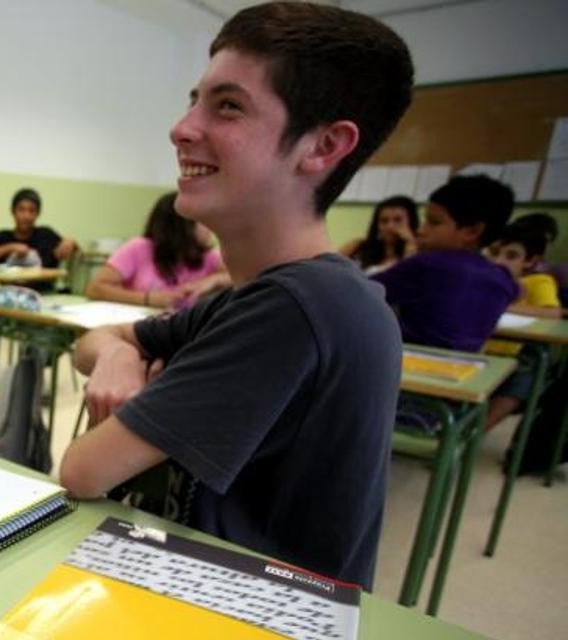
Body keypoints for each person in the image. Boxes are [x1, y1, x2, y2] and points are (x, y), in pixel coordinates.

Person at [58, 2, 414, 589]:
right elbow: (94, 342)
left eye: (227, 106)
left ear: (323, 146)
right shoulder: (258, 296)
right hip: (200, 587)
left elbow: (83, 470)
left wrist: (131, 359)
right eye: (193, 99)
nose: (181, 128)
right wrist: (123, 353)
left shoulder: (299, 306)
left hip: (254, 633)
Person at [371, 175, 517, 352]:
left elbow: (361, 293)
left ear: (472, 231)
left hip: (411, 362)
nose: (421, 229)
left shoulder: (427, 265)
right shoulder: (502, 277)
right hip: (469, 371)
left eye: (433, 222)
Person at [0, 188, 78, 357]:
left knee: (41, 344)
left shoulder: (46, 234)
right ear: (13, 212)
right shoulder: (3, 236)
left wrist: (71, 242)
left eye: (31, 211)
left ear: (37, 214)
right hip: (6, 299)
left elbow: (72, 250)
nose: (26, 215)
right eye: (21, 209)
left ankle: (30, 378)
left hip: (40, 300)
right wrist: (10, 247)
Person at [483, 215, 562, 430]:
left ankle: (475, 434)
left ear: (530, 261)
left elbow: (554, 313)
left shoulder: (538, 282)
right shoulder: (487, 277)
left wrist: (503, 304)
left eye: (511, 256)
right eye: (495, 253)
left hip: (513, 354)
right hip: (482, 351)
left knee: (526, 372)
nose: (499, 261)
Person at [85, 191, 228, 309]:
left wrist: (213, 281)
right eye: (202, 220)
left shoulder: (208, 256)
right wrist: (148, 299)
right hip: (139, 328)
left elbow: (241, 277)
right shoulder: (138, 248)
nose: (211, 227)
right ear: (180, 225)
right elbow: (95, 288)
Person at [338, 194, 419, 273]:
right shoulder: (359, 246)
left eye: (398, 220)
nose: (390, 226)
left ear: (411, 222)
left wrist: (410, 243)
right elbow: (330, 264)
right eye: (384, 221)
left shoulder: (418, 253)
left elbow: (408, 276)